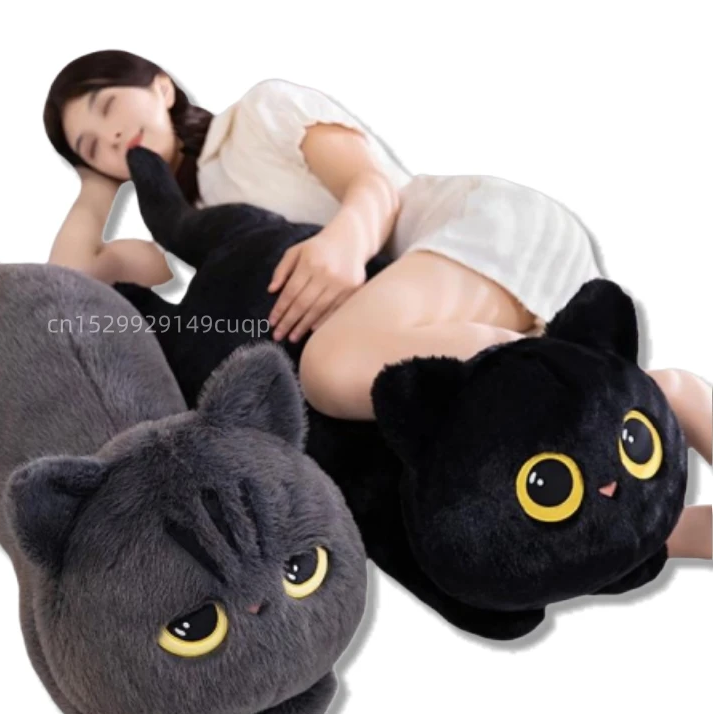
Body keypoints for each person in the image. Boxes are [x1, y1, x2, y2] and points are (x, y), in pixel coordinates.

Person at [43, 49, 711, 559]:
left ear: (161, 85)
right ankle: (663, 523)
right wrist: (95, 187)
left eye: (108, 107)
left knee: (330, 369)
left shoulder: (258, 113)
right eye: (91, 145)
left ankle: (642, 395)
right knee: (482, 456)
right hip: (435, 315)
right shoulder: (197, 221)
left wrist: (345, 242)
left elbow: (371, 183)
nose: (112, 137)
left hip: (471, 231)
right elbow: (69, 281)